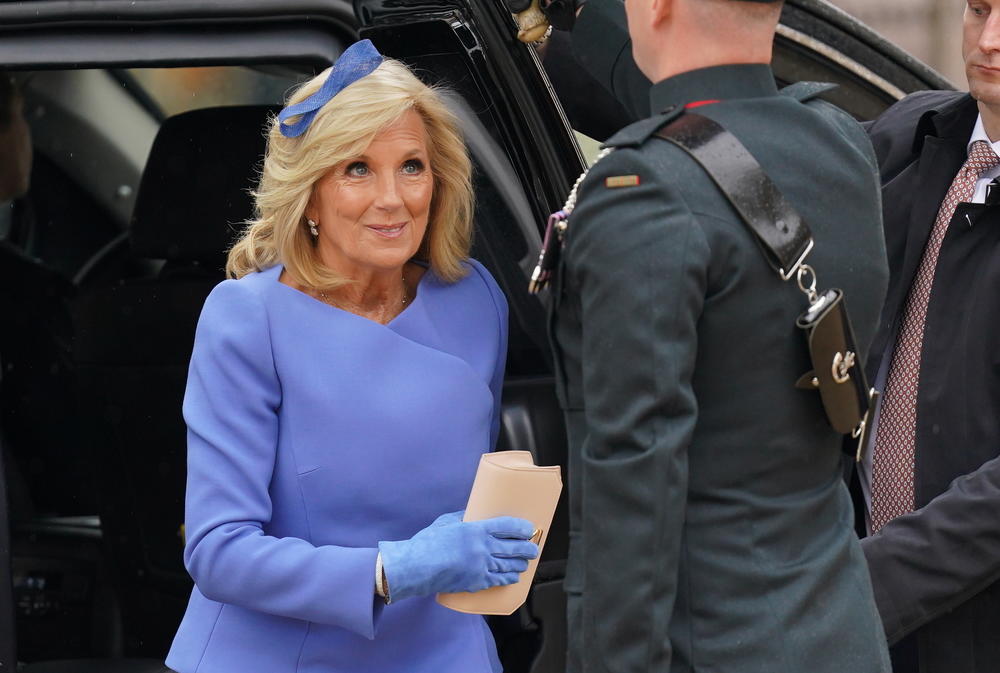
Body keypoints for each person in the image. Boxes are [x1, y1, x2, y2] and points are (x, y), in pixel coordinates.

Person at [165, 40, 539, 673]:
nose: (392, 198)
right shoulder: (247, 318)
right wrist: (392, 569)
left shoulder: (474, 297)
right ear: (310, 193)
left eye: (412, 166)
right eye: (357, 169)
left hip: (444, 653)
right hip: (281, 658)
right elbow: (218, 549)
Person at [546, 0, 892, 670]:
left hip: (704, 648)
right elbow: (715, 131)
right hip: (839, 632)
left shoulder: (642, 191)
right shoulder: (841, 143)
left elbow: (634, 485)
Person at [846, 1, 1000, 671]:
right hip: (854, 623)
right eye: (979, 9)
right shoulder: (912, 138)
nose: (989, 39)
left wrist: (866, 583)